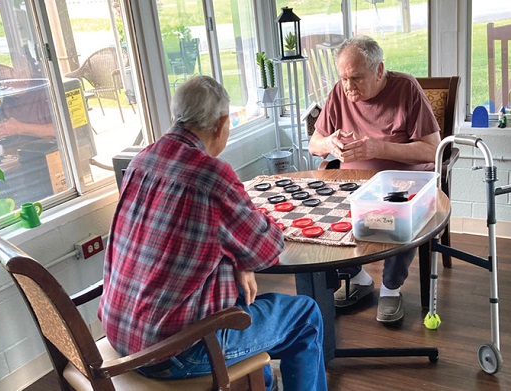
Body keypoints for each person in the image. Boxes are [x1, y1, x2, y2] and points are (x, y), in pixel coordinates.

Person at [98, 75, 328, 391]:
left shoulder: (143, 160)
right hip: (175, 351)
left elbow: (185, 243)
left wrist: (237, 261)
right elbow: (267, 248)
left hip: (121, 334)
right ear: (220, 125)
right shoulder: (212, 175)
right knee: (305, 316)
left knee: (243, 313)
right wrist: (253, 231)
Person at [308, 35, 441, 323]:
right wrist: (329, 143)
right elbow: (313, 143)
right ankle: (360, 278)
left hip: (400, 183)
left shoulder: (406, 89)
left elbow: (433, 148)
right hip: (351, 182)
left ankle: (391, 289)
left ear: (379, 70)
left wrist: (380, 148)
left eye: (356, 78)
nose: (347, 87)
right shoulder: (339, 92)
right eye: (343, 78)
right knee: (320, 213)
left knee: (398, 214)